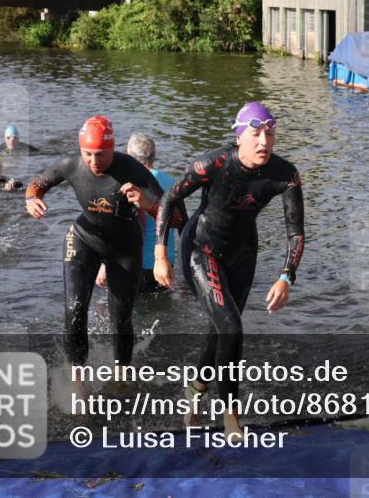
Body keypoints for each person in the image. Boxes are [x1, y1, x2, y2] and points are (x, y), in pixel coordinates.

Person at [154, 102, 305, 436]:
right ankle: (230, 417)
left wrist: (285, 276)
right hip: (201, 247)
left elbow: (295, 233)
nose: (264, 141)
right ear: (240, 138)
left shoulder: (285, 174)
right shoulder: (214, 163)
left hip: (242, 254)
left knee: (222, 328)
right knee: (231, 327)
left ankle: (195, 388)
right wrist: (160, 253)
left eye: (270, 133)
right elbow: (169, 199)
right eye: (255, 134)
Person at [25, 116, 183, 369]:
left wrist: (147, 204)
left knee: (120, 320)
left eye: (100, 154)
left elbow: (177, 218)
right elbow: (37, 184)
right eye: (88, 154)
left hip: (125, 247)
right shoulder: (71, 164)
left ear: (112, 148)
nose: (94, 162)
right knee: (74, 310)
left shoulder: (132, 169)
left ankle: (121, 375)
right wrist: (31, 199)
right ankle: (77, 381)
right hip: (83, 239)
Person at [97, 133, 187, 294]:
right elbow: (183, 225)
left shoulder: (128, 185)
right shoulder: (172, 182)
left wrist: (105, 264)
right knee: (161, 309)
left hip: (137, 266)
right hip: (166, 265)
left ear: (129, 157)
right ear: (154, 154)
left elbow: (118, 229)